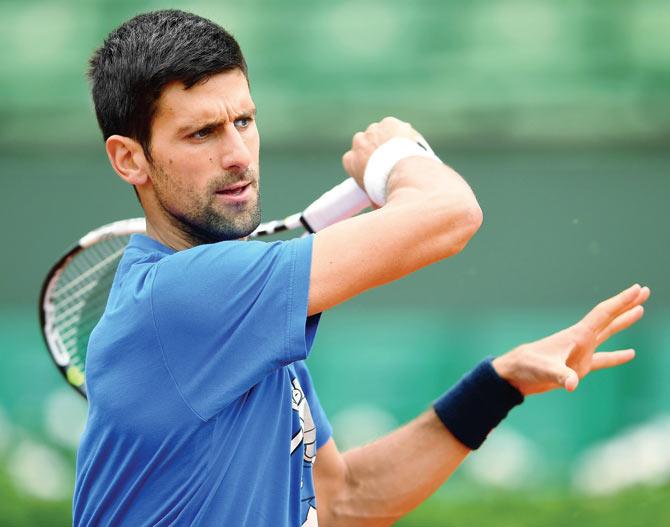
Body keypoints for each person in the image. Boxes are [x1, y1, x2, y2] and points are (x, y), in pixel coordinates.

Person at [75, 9, 650, 527]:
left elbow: (342, 498)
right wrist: (396, 157)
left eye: (244, 122)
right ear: (130, 158)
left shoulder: (250, 324)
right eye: (202, 132)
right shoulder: (182, 298)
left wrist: (499, 386)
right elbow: (450, 214)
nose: (237, 155)